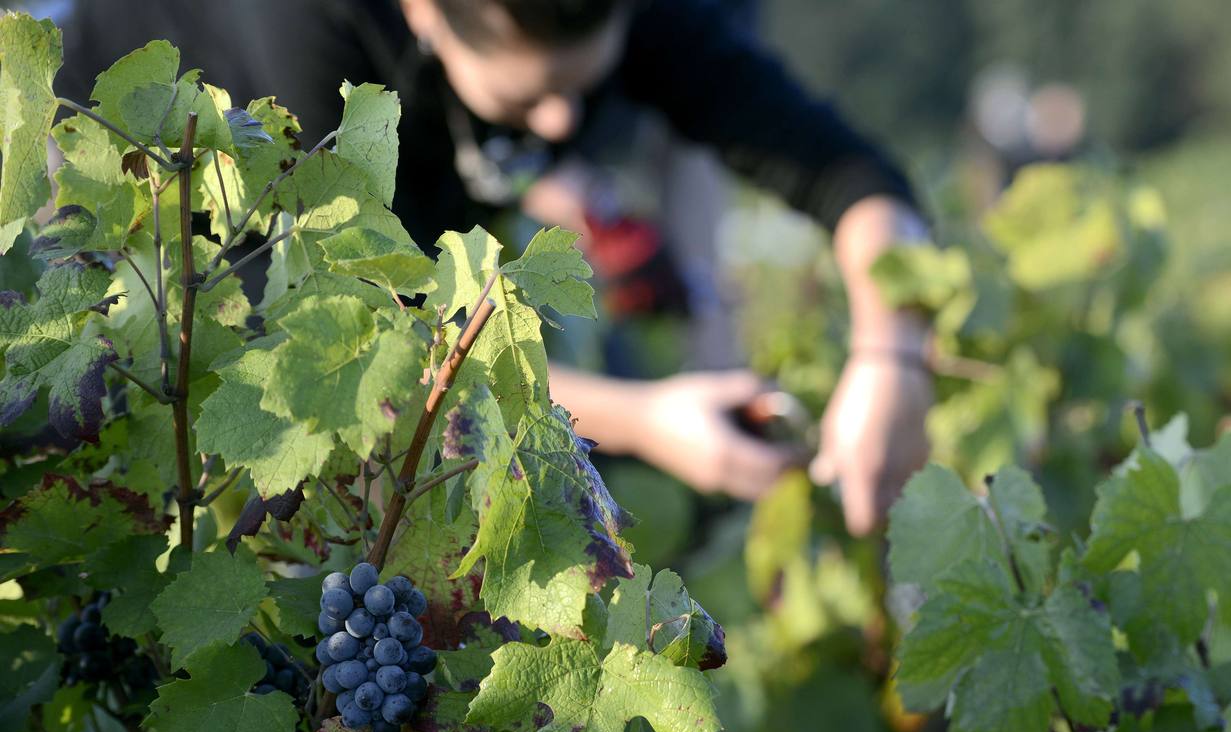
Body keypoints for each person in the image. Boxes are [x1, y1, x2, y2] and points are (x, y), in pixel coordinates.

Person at [55, 0, 934, 535]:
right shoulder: (303, 48)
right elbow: (360, 356)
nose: (560, 126)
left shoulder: (598, 8)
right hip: (155, 237)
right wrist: (642, 420)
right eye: (527, 98)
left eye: (585, 85)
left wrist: (890, 357)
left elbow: (848, 175)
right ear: (424, 11)